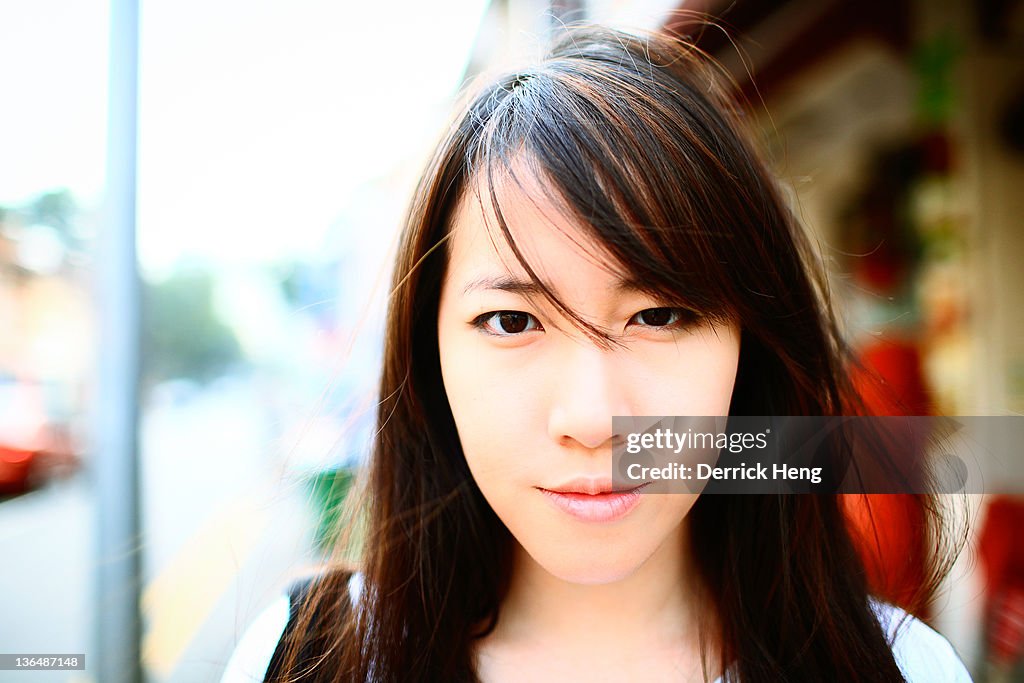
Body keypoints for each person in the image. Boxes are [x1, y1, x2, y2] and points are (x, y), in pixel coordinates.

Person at [222, 24, 973, 682]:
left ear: (751, 345)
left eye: (660, 313)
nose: (591, 418)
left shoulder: (902, 668)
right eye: (512, 321)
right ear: (431, 353)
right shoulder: (307, 658)